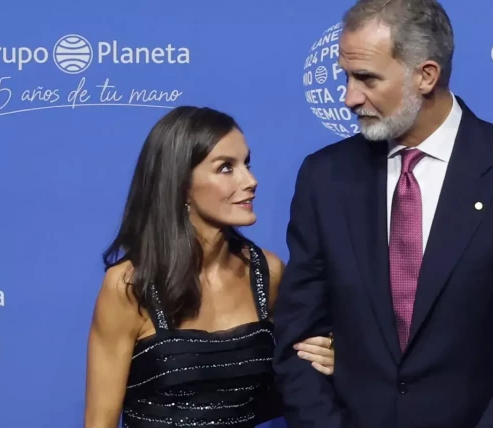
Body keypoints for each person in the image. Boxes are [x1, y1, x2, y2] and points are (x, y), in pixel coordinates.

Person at [272, 0, 493, 427]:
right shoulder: (325, 178)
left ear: (426, 75)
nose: (348, 97)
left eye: (366, 79)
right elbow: (298, 342)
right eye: (345, 76)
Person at [84, 106, 336, 428]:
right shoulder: (131, 286)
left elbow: (298, 374)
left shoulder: (267, 273)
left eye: (247, 164)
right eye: (226, 168)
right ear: (181, 184)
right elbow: (99, 422)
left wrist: (333, 358)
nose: (251, 180)